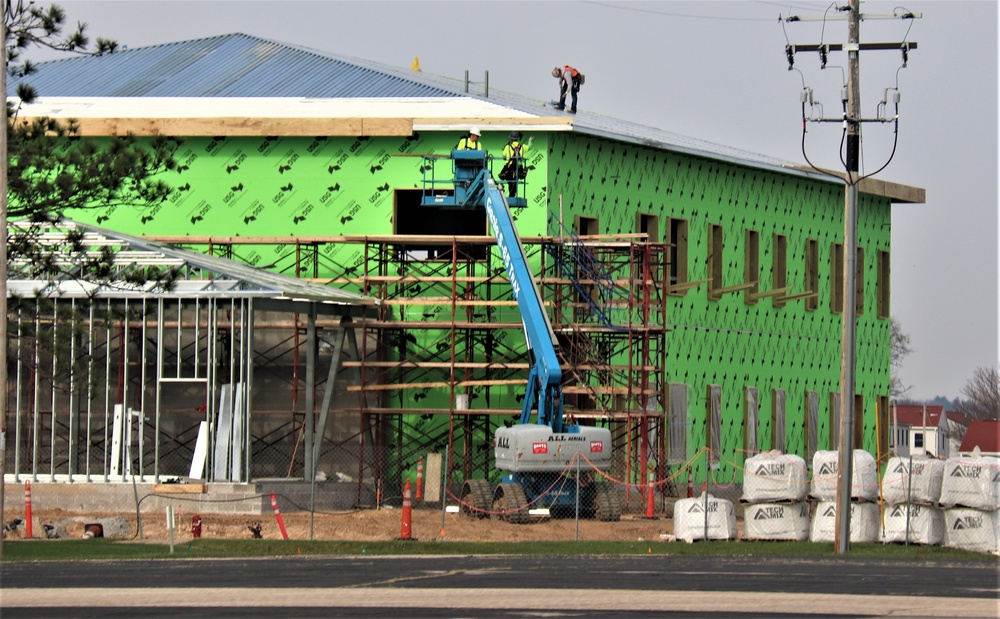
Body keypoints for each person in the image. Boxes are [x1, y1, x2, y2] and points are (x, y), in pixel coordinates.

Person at [500, 131, 533, 197]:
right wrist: (530, 141)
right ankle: (512, 195)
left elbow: (503, 156)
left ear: (511, 139)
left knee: (509, 181)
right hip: (519, 168)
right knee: (514, 182)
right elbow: (529, 147)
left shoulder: (507, 147)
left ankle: (510, 194)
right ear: (517, 139)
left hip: (509, 168)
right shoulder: (522, 147)